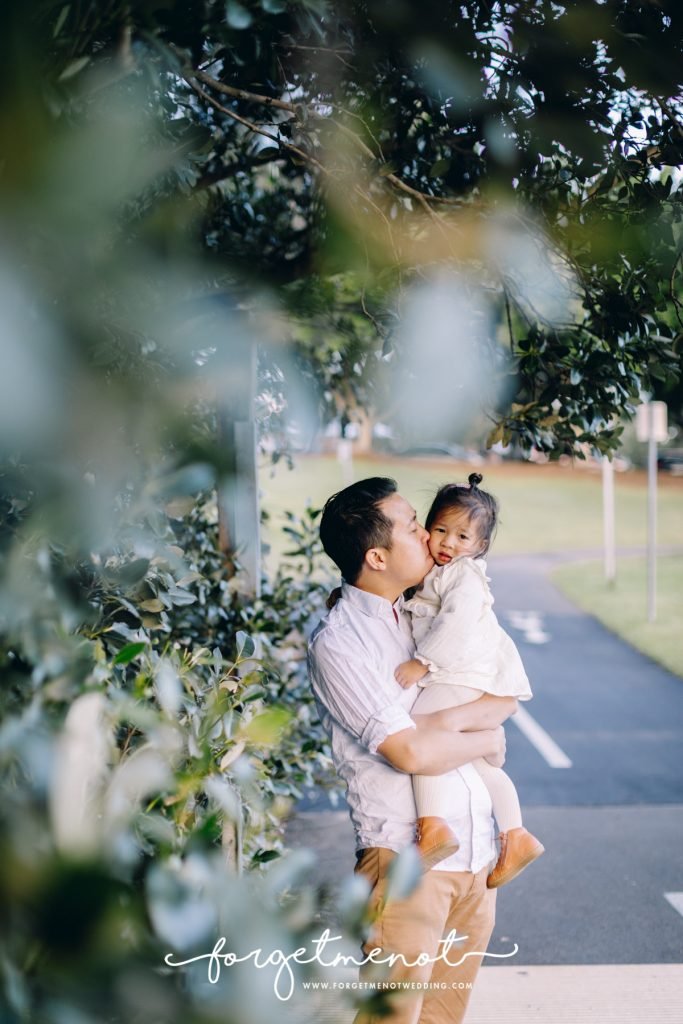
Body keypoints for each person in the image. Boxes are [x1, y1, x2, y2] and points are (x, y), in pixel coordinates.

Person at [307, 477, 517, 1024]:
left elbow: (502, 699)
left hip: (475, 858)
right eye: (412, 526)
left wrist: (474, 727)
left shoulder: (431, 610)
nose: (429, 535)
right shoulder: (341, 642)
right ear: (376, 556)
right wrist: (484, 738)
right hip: (406, 863)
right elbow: (410, 753)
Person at [395, 474, 544, 888]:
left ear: (480, 545)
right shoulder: (438, 570)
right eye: (441, 530)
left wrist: (422, 663)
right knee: (475, 762)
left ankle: (433, 826)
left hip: (459, 674)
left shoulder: (464, 576)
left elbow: (456, 624)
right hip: (463, 675)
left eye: (462, 536)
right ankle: (516, 834)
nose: (448, 543)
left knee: (419, 739)